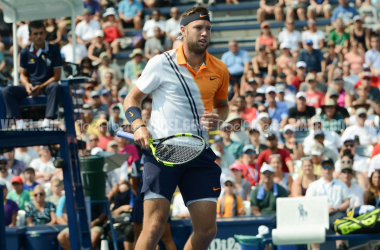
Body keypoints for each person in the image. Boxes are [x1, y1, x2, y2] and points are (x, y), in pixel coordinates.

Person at [123, 7, 230, 250]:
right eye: (198, 28)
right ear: (183, 31)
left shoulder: (220, 69)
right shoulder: (160, 63)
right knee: (153, 227)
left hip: (200, 153)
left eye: (208, 29)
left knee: (206, 231)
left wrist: (218, 117)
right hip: (162, 152)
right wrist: (139, 125)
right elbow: (131, 99)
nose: (204, 33)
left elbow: (223, 106)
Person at [2, 21, 62, 129]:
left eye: (41, 33)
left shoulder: (54, 50)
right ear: (30, 36)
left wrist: (41, 87)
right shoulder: (24, 52)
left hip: (47, 86)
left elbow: (56, 76)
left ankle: (48, 121)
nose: (38, 36)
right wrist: (27, 85)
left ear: (45, 34)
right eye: (35, 34)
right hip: (31, 86)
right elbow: (22, 74)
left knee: (55, 86)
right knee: (6, 91)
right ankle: (19, 123)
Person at [130, 156, 177, 250]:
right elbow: (134, 185)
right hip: (140, 201)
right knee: (138, 235)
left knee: (166, 237)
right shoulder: (136, 163)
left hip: (160, 198)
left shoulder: (164, 160)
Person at [306, 156, 350, 250]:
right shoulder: (314, 185)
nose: (327, 170)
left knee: (341, 222)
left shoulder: (341, 184)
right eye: (325, 167)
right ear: (321, 169)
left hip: (336, 213)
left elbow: (347, 202)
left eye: (329, 167)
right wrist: (323, 209)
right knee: (312, 225)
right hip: (318, 214)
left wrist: (337, 208)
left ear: (333, 168)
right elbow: (308, 203)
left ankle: (340, 248)